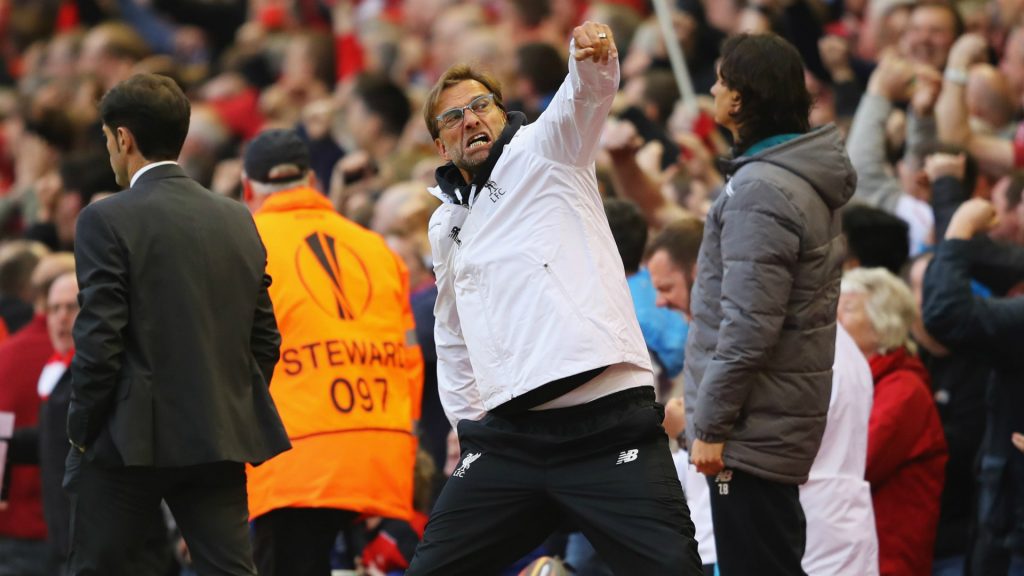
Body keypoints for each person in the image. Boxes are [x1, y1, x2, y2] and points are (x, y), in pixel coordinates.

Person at [406, 21, 702, 575]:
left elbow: (584, 98)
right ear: (440, 143)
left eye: (481, 105)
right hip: (509, 441)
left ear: (501, 112)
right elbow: (452, 334)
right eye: (453, 116)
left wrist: (590, 55)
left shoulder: (547, 149)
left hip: (607, 421)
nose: (471, 119)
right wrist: (469, 427)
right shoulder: (445, 224)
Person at [65, 73, 291, 576]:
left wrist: (81, 429)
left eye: (107, 141)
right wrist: (230, 402)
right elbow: (265, 339)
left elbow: (99, 340)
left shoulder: (104, 219)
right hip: (216, 435)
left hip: (127, 441)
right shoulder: (237, 217)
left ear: (123, 138)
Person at [683, 32, 855, 576]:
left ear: (738, 99)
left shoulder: (763, 188)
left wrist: (709, 425)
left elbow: (749, 325)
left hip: (749, 429)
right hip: (765, 422)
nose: (711, 90)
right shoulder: (785, 178)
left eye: (720, 80)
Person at [240, 128, 424, 576]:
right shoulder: (377, 248)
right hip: (380, 449)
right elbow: (410, 360)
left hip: (292, 463)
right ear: (314, 183)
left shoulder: (242, 245)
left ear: (247, 189)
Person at [838, 267, 947, 575]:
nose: (832, 322)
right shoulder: (856, 382)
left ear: (883, 322)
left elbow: (857, 461)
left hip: (887, 559)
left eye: (846, 309)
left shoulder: (903, 390)